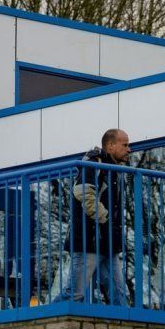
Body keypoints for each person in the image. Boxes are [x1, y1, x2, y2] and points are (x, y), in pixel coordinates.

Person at [53, 128, 130, 306]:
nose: (129, 149)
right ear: (111, 145)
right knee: (74, 293)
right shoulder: (95, 163)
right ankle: (42, 321)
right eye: (125, 145)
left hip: (107, 243)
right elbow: (82, 192)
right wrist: (105, 218)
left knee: (119, 295)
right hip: (89, 241)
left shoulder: (114, 169)